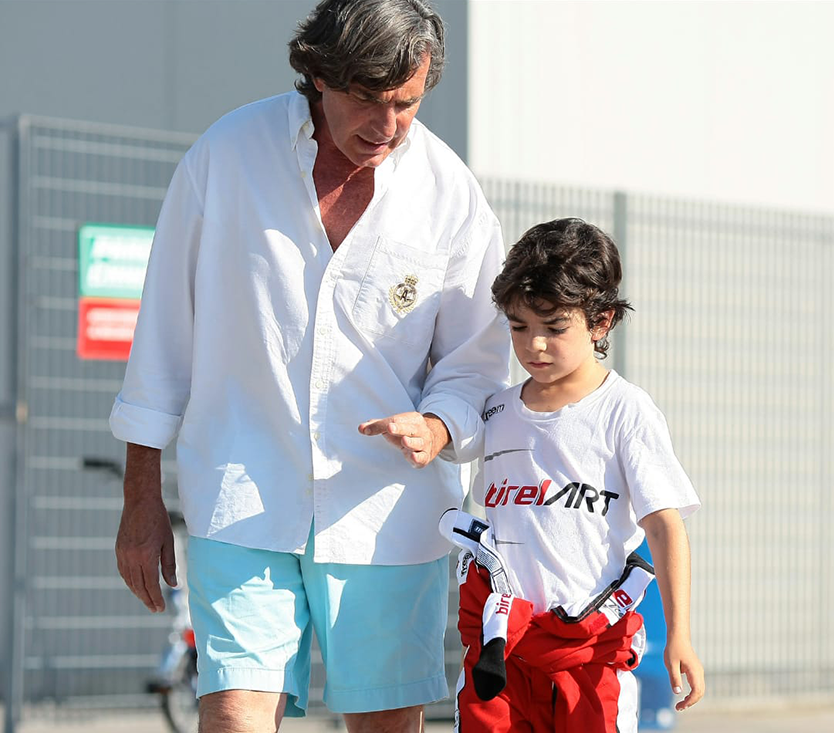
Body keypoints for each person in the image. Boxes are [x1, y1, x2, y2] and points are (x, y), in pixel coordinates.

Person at [109, 1, 510, 731]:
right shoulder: (224, 157)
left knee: (386, 724)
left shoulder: (451, 197)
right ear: (317, 74)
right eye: (367, 100)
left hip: (389, 514)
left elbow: (478, 361)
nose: (386, 127)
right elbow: (165, 335)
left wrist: (441, 423)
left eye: (407, 104)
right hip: (240, 497)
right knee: (231, 714)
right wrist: (140, 496)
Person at [448, 218, 705, 732]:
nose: (534, 345)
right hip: (502, 654)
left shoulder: (626, 411)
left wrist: (680, 633)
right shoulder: (495, 411)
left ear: (601, 321)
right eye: (519, 327)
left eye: (554, 327)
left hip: (589, 655)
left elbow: (664, 525)